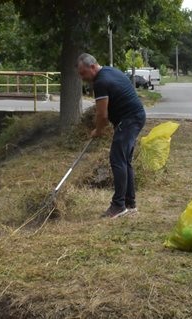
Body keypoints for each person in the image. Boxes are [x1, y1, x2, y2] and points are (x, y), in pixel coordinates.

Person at [77, 53, 146, 219]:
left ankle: (118, 205)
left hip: (129, 120)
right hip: (135, 117)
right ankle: (130, 203)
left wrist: (98, 130)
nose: (82, 78)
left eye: (83, 73)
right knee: (124, 160)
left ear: (92, 67)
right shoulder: (109, 71)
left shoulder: (100, 82)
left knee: (117, 160)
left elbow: (102, 115)